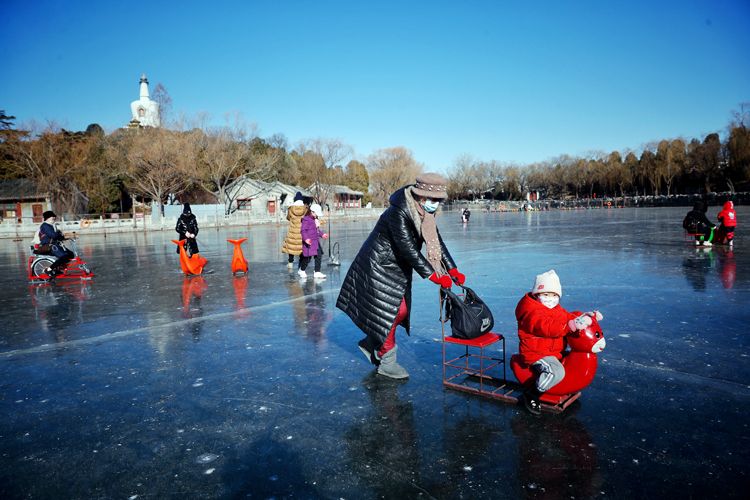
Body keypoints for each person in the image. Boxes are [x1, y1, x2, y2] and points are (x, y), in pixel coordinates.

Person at [336, 172, 466, 379]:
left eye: (439, 201)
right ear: (421, 196)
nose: (436, 204)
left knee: (399, 312)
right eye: (433, 200)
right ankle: (387, 360)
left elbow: (437, 243)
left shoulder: (426, 215)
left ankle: (373, 341)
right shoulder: (398, 212)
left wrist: (452, 269)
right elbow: (408, 249)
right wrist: (433, 276)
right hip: (377, 266)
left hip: (397, 269)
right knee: (394, 312)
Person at [515, 270, 603, 415]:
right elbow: (547, 327)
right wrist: (570, 326)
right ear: (537, 295)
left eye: (554, 295)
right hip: (536, 354)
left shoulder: (555, 308)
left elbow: (568, 316)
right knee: (555, 371)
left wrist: (586, 316)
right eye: (546, 295)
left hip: (552, 351)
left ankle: (553, 386)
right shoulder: (531, 312)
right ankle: (532, 394)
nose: (551, 299)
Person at [37, 210, 75, 277]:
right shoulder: (45, 226)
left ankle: (58, 267)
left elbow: (57, 236)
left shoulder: (51, 226)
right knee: (64, 256)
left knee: (71, 254)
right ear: (47, 218)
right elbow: (54, 235)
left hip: (55, 245)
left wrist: (64, 237)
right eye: (52, 217)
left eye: (54, 217)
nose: (54, 218)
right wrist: (58, 233)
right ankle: (49, 269)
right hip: (49, 246)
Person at [299, 203, 328, 279]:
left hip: (315, 241)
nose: (317, 215)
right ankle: (302, 270)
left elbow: (317, 230)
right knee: (307, 258)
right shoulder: (306, 220)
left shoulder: (315, 219)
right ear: (312, 212)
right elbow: (303, 231)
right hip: (309, 242)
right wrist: (306, 239)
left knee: (319, 255)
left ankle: (317, 272)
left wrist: (322, 235)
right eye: (316, 214)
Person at [281, 192, 307, 269]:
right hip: (302, 232)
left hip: (292, 232)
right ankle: (301, 264)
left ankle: (290, 263)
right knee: (301, 247)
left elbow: (288, 218)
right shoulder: (305, 209)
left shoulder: (291, 209)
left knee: (291, 247)